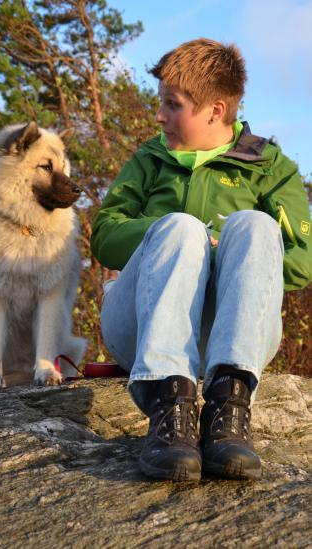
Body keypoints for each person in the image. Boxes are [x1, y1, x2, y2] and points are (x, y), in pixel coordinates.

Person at [90, 38, 312, 482]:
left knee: (255, 226)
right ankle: (170, 410)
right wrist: (174, 233)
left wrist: (223, 247)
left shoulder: (270, 166)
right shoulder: (151, 158)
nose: (159, 117)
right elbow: (104, 233)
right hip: (139, 327)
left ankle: (228, 405)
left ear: (214, 109)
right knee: (179, 227)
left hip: (230, 333)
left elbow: (301, 260)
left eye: (172, 105)